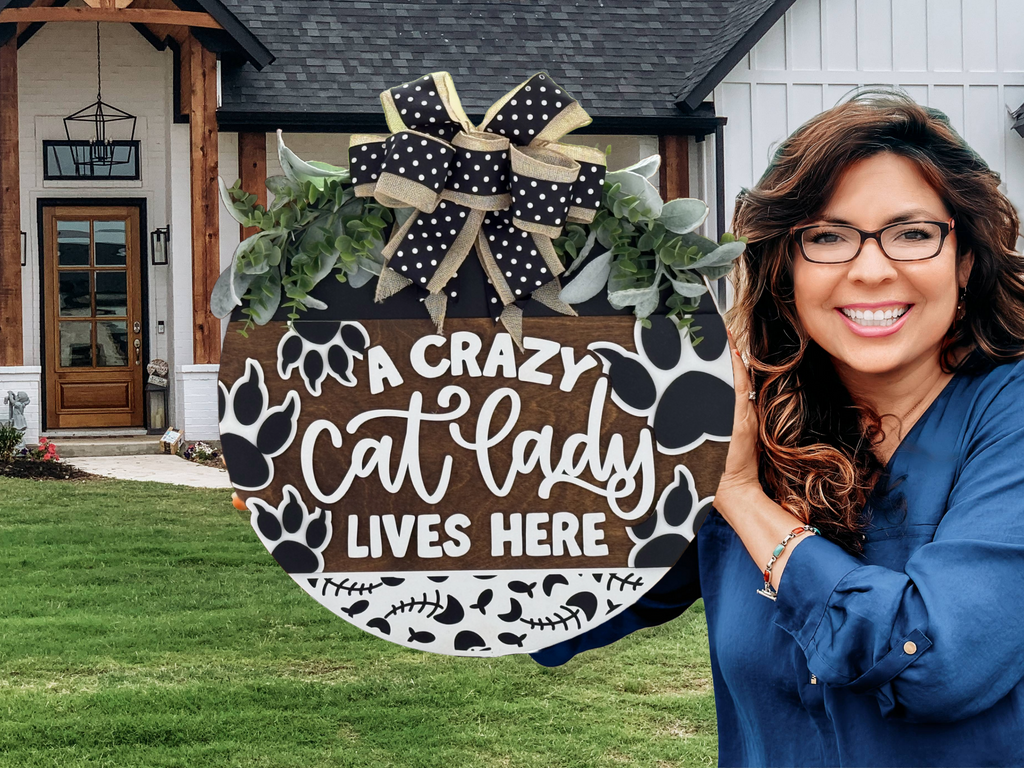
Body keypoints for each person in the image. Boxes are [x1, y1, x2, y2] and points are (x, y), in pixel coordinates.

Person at [532, 91, 1024, 767]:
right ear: (785, 270)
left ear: (963, 261)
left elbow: (937, 663)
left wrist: (740, 495)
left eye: (912, 234)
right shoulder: (749, 421)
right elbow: (565, 601)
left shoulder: (1008, 417)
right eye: (827, 237)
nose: (871, 269)